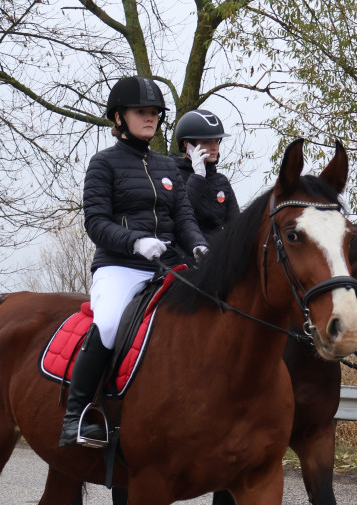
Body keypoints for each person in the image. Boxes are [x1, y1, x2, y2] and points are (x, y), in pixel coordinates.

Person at [59, 76, 208, 448]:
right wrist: (135, 242)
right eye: (141, 111)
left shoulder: (168, 167)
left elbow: (185, 219)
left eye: (155, 112)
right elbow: (96, 222)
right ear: (119, 117)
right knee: (109, 323)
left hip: (168, 267)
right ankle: (76, 415)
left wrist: (200, 247)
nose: (150, 117)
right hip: (119, 267)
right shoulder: (103, 164)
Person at [171, 109, 240, 247]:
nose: (214, 147)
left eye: (217, 141)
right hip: (185, 248)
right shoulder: (173, 173)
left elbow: (235, 224)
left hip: (217, 250)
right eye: (207, 142)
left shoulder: (221, 181)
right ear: (187, 145)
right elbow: (182, 214)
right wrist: (198, 176)